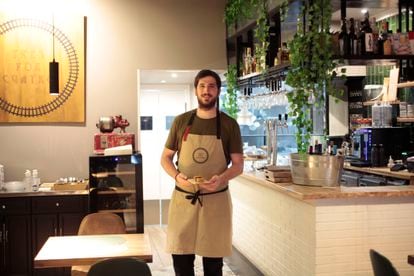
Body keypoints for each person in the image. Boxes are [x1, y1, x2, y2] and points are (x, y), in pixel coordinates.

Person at [160, 69, 244, 276]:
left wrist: (222, 178)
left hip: (216, 201)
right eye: (202, 86)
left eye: (212, 86)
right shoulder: (181, 122)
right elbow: (165, 158)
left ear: (218, 91)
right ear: (196, 90)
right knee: (181, 258)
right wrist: (178, 176)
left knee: (213, 263)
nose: (207, 91)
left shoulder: (229, 125)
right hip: (184, 198)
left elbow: (238, 165)